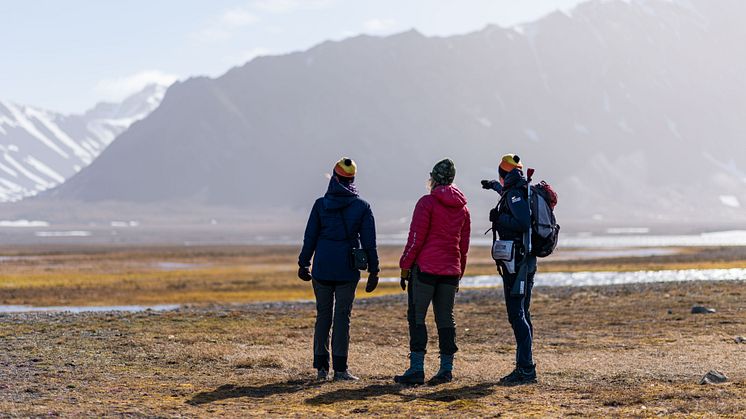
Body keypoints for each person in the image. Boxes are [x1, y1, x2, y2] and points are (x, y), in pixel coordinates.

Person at [298, 157, 380, 381]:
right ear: (353, 179)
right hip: (347, 270)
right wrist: (374, 270)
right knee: (343, 317)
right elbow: (369, 242)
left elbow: (310, 238)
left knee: (323, 315)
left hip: (322, 268)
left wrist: (303, 262)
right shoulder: (362, 207)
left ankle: (321, 368)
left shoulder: (320, 204)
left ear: (334, 177)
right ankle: (341, 370)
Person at [395, 158, 471, 386]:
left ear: (434, 178)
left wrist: (405, 267)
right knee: (446, 319)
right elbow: (463, 247)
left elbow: (416, 239)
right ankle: (446, 370)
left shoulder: (426, 203)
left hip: (425, 270)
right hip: (450, 271)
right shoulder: (463, 208)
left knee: (417, 317)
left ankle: (416, 369)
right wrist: (459, 273)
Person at [482, 154, 537, 385]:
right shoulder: (519, 189)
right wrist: (494, 187)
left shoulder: (515, 194)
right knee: (523, 312)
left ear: (504, 173)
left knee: (517, 315)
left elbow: (522, 222)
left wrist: (499, 219)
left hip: (518, 264)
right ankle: (524, 367)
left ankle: (525, 369)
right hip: (526, 261)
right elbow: (509, 194)